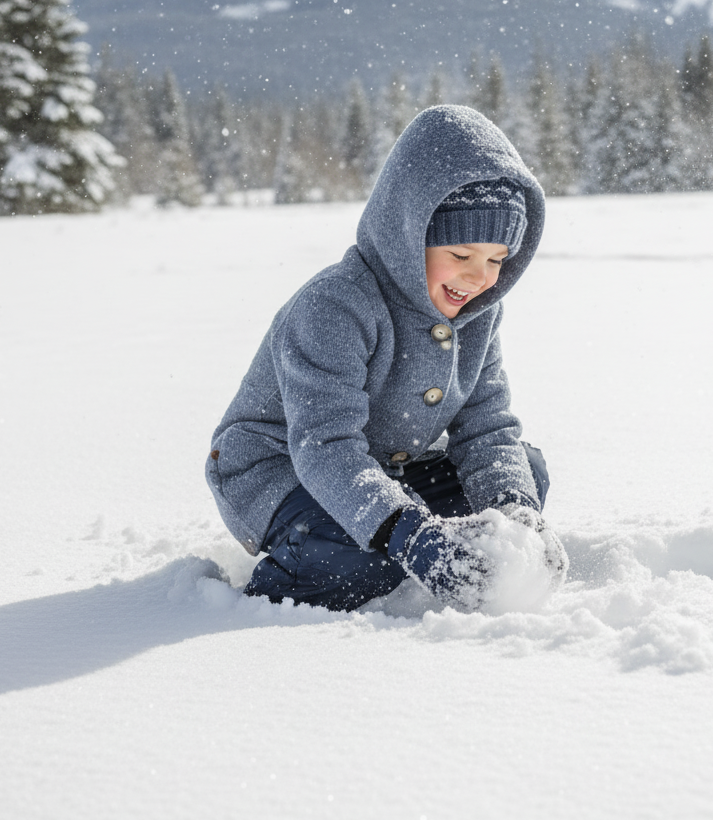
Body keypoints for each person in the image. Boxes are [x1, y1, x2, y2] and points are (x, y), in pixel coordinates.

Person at [205, 104, 567, 612]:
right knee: (365, 557)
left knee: (524, 472)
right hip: (281, 470)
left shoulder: (478, 315)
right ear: (408, 235)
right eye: (461, 255)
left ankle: (408, 536)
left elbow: (487, 428)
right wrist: (409, 534)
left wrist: (519, 521)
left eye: (496, 259)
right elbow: (325, 445)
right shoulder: (336, 306)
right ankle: (285, 582)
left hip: (389, 466)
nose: (480, 278)